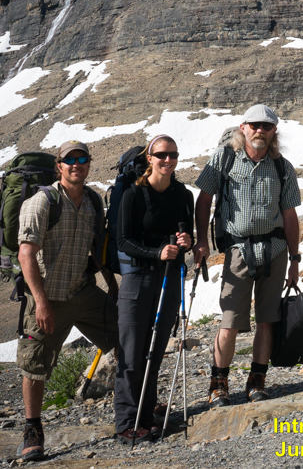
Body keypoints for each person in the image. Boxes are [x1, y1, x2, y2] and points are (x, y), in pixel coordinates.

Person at [16, 141, 119, 461]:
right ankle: (32, 430)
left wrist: (112, 288)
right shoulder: (42, 202)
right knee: (35, 365)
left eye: (82, 159)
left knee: (124, 336)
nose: (77, 164)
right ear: (58, 166)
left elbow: (96, 251)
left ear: (89, 164)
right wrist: (42, 303)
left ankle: (136, 404)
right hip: (49, 297)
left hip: (83, 291)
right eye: (69, 160)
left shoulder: (91, 201)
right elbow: (26, 254)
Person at [192, 104, 301, 405]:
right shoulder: (224, 159)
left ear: (274, 131)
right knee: (230, 320)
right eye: (254, 125)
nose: (260, 131)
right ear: (243, 128)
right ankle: (218, 384)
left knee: (267, 319)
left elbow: (290, 215)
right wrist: (202, 240)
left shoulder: (282, 167)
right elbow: (203, 201)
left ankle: (257, 381)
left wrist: (295, 258)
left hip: (276, 251)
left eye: (266, 126)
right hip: (238, 251)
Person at [113, 135, 194, 443]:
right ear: (150, 157)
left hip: (169, 278)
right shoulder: (134, 195)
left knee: (154, 351)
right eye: (161, 155)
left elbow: (187, 234)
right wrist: (156, 252)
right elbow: (123, 241)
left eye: (172, 154)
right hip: (137, 279)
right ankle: (126, 422)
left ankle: (145, 418)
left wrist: (186, 244)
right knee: (132, 352)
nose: (168, 160)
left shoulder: (182, 194)